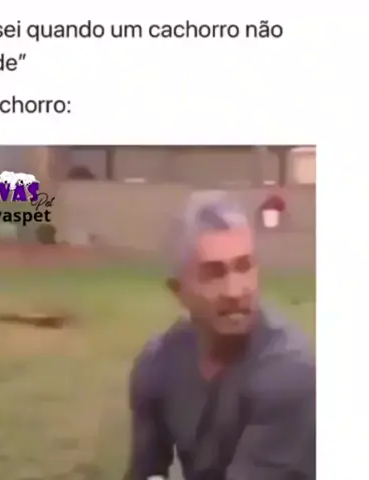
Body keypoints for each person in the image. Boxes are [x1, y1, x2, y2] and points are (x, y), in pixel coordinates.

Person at [127, 192, 315, 480]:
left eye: (244, 267)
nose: (235, 291)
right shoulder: (158, 364)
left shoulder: (290, 369)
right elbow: (146, 471)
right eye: (213, 274)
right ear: (179, 291)